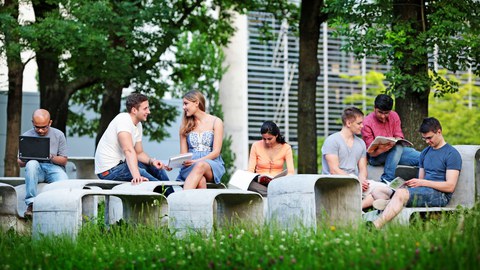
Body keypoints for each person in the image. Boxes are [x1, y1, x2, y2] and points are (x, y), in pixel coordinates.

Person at [370, 117, 462, 229]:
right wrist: (411, 184)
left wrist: (422, 183)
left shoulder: (452, 154)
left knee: (400, 194)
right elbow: (421, 181)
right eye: (424, 139)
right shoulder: (425, 153)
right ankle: (392, 202)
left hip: (440, 195)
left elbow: (450, 187)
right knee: (378, 190)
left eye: (429, 138)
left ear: (439, 132)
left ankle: (375, 226)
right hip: (425, 191)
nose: (427, 142)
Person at [94, 93, 171, 191]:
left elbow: (139, 153)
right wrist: (137, 176)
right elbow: (128, 150)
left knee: (156, 169)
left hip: (122, 166)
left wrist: (153, 162)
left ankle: (173, 200)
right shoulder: (123, 120)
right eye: (145, 108)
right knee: (153, 183)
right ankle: (170, 202)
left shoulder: (138, 125)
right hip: (109, 171)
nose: (149, 111)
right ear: (134, 110)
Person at [321, 107, 387, 209]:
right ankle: (358, 210)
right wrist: (355, 180)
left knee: (386, 190)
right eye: (359, 123)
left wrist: (362, 179)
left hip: (355, 181)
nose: (362, 126)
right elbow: (334, 170)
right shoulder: (332, 141)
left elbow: (363, 169)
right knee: (380, 194)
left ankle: (356, 209)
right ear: (348, 123)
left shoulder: (361, 143)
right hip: (335, 181)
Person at [18, 109, 69, 218]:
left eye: (44, 127)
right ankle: (31, 204)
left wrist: (49, 156)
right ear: (33, 123)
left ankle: (63, 208)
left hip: (54, 168)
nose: (40, 131)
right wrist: (27, 157)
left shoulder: (59, 135)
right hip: (36, 169)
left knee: (64, 180)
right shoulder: (26, 136)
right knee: (31, 164)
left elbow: (64, 160)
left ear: (50, 123)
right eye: (37, 127)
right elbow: (20, 163)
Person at [361, 94, 420, 183]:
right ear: (374, 108)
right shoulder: (367, 123)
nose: (383, 116)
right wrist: (381, 149)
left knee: (422, 157)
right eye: (380, 112)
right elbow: (371, 153)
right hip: (376, 156)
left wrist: (395, 140)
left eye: (386, 113)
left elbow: (398, 135)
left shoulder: (394, 116)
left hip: (395, 151)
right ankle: (387, 179)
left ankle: (420, 183)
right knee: (397, 148)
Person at [177, 90, 226, 189]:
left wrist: (197, 161)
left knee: (200, 166)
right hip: (190, 166)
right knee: (200, 181)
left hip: (211, 164)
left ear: (196, 103)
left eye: (186, 104)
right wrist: (174, 163)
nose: (183, 107)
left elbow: (216, 152)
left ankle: (180, 201)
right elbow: (184, 155)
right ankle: (200, 205)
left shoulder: (216, 121)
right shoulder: (184, 125)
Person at [247, 121, 295, 196]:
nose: (267, 142)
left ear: (276, 135)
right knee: (248, 184)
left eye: (269, 139)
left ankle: (270, 192)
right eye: (264, 139)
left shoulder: (286, 148)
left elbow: (291, 172)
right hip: (259, 184)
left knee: (288, 183)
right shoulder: (255, 146)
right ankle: (274, 193)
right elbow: (250, 170)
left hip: (278, 182)